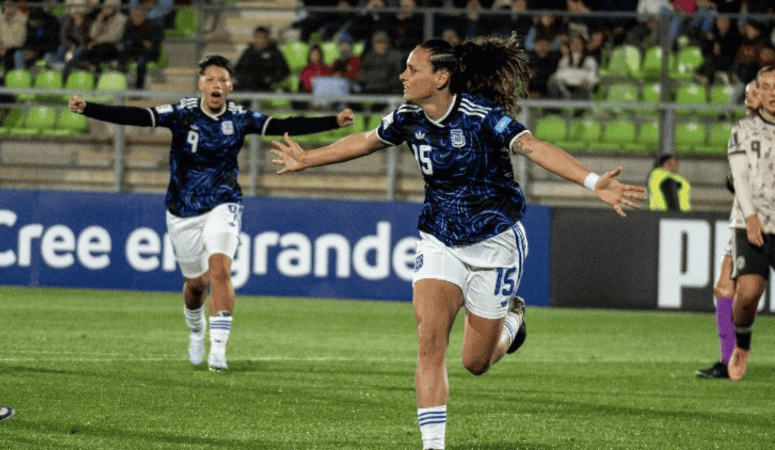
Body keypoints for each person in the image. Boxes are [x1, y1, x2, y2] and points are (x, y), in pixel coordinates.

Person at [271, 36, 646, 449]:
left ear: (441, 77)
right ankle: (433, 445)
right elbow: (365, 140)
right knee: (429, 342)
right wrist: (307, 158)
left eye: (412, 69)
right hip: (440, 240)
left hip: (495, 243)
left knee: (475, 362)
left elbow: (533, 146)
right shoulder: (408, 117)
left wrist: (592, 182)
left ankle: (512, 320)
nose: (403, 75)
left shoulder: (481, 116)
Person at [68, 55, 355, 371]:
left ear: (230, 86)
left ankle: (218, 350)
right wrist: (89, 108)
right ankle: (196, 330)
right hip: (183, 209)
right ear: (200, 84)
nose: (217, 85)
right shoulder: (182, 113)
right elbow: (137, 116)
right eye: (211, 79)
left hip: (224, 201)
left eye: (223, 80)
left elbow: (284, 124)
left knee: (219, 270)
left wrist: (333, 121)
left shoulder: (240, 117)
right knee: (195, 286)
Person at [696, 80, 761, 380]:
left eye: (754, 94)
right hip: (742, 219)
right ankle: (727, 360)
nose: (748, 99)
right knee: (723, 288)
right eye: (747, 95)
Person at [724, 66, 775, 381]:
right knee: (748, 292)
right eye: (766, 87)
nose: (772, 93)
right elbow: (739, 177)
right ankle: (741, 345)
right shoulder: (743, 128)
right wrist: (752, 217)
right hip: (749, 221)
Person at [117, 5, 164, 89]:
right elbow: (125, 42)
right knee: (121, 60)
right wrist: (140, 41)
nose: (137, 17)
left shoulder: (152, 26)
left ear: (144, 16)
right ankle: (121, 85)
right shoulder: (129, 26)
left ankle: (139, 89)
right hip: (133, 52)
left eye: (140, 15)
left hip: (149, 54)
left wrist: (138, 41)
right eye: (135, 15)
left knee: (141, 61)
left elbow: (152, 46)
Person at [232, 26, 290, 93]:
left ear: (267, 39)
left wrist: (272, 79)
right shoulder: (248, 52)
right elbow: (238, 70)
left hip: (267, 86)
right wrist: (245, 78)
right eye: (257, 37)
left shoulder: (274, 52)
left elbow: (285, 71)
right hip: (249, 85)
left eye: (262, 38)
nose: (259, 40)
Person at [0, 1, 27, 86]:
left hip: (15, 48)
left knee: (10, 56)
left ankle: (7, 83)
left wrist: (5, 47)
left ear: (16, 7)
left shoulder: (22, 19)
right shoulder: (0, 19)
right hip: (0, 48)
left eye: (11, 6)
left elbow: (20, 40)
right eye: (7, 6)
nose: (9, 9)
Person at [547, 33, 599, 102]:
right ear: (570, 45)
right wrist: (580, 74)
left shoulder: (590, 60)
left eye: (579, 43)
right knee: (552, 82)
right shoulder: (564, 59)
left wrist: (572, 74)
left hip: (581, 88)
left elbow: (591, 76)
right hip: (565, 88)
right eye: (573, 43)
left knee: (585, 88)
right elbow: (559, 74)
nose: (576, 45)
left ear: (583, 45)